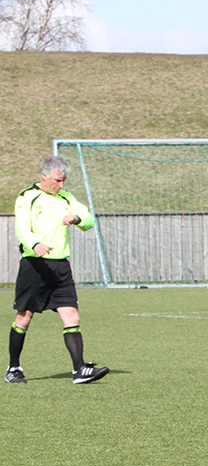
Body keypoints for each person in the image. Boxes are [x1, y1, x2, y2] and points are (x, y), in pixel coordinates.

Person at [8, 156, 109, 386]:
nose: (61, 185)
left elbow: (89, 219)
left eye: (63, 181)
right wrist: (34, 244)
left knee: (71, 316)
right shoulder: (27, 197)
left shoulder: (67, 198)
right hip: (35, 266)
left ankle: (79, 370)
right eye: (57, 180)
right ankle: (14, 367)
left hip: (61, 266)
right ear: (44, 176)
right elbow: (21, 229)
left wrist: (76, 218)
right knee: (24, 318)